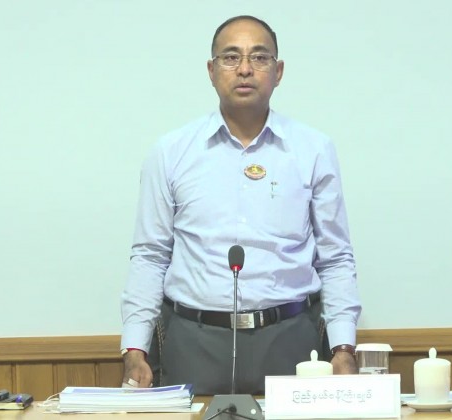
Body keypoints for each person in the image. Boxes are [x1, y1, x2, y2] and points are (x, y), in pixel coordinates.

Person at [120, 15, 361, 395]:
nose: (245, 69)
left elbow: (335, 257)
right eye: (231, 57)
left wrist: (344, 346)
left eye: (259, 57)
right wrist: (134, 347)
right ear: (211, 71)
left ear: (278, 72)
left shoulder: (313, 149)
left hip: (291, 338)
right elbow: (150, 255)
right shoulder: (171, 152)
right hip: (193, 340)